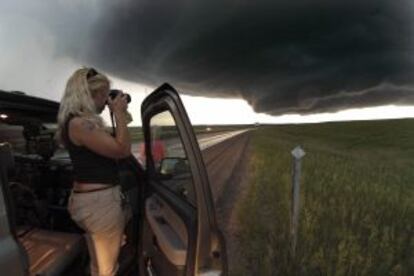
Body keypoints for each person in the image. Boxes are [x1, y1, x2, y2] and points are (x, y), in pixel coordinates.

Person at [56, 67, 131, 276]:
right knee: (107, 271)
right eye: (104, 95)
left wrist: (119, 115)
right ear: (90, 95)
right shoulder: (80, 124)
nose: (107, 100)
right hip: (99, 204)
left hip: (91, 203)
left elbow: (115, 142)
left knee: (99, 264)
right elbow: (122, 150)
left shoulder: (76, 122)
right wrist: (118, 112)